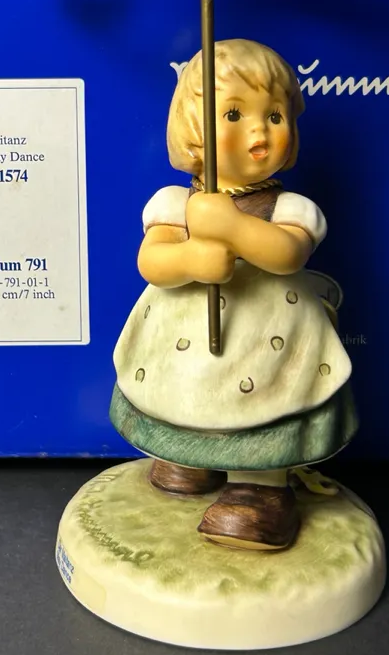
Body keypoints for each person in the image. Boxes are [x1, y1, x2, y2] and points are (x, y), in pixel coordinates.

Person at [110, 39, 356, 551]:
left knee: (265, 401)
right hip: (184, 330)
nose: (259, 131)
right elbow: (151, 261)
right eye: (234, 114)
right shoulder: (175, 203)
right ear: (193, 129)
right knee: (186, 388)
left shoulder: (288, 208)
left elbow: (288, 254)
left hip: (267, 336)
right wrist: (189, 259)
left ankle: (260, 489)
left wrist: (234, 228)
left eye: (275, 115)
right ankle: (188, 459)